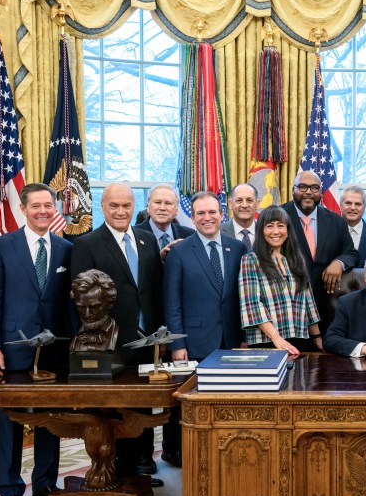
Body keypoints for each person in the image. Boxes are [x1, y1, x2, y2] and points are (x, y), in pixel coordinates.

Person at [0, 183, 73, 496]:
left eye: (49, 206)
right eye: (36, 206)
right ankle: (10, 490)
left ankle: (46, 482)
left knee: (51, 419)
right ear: (23, 209)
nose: (44, 211)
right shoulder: (2, 246)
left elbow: (67, 303)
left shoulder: (65, 248)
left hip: (54, 349)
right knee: (12, 422)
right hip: (13, 348)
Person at [70, 182, 164, 479]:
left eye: (126, 205)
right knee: (115, 413)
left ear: (135, 206)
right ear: (103, 207)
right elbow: (81, 298)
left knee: (145, 410)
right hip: (110, 344)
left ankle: (143, 469)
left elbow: (153, 292)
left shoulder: (148, 240)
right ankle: (117, 474)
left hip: (148, 340)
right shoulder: (87, 244)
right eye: (114, 206)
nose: (121, 211)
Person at [162, 191, 244, 466]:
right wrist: (177, 344)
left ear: (222, 214)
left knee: (228, 403)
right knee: (191, 405)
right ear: (192, 217)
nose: (207, 218)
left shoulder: (238, 248)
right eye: (200, 213)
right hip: (194, 342)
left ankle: (225, 455)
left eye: (212, 212)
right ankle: (190, 459)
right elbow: (171, 302)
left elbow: (243, 299)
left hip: (231, 341)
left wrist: (244, 339)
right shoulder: (180, 252)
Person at [132, 183, 192, 476]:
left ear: (176, 207)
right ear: (148, 205)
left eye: (169, 203)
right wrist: (159, 259)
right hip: (145, 327)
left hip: (178, 325)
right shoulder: (134, 235)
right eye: (157, 202)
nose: (163, 207)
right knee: (145, 397)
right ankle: (143, 459)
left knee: (176, 391)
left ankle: (174, 448)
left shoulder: (188, 235)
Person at [240, 205, 324, 355]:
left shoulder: (296, 260)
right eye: (270, 226)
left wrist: (318, 338)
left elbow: (308, 301)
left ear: (288, 230)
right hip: (266, 341)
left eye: (281, 225)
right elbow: (252, 304)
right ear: (261, 230)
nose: (276, 231)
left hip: (299, 339)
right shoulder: (251, 260)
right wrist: (276, 338)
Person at [281, 170, 359, 330]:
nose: (309, 192)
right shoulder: (277, 217)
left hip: (327, 305)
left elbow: (351, 253)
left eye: (314, 188)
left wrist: (339, 262)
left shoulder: (336, 221)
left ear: (321, 192)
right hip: (288, 306)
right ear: (292, 190)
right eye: (302, 187)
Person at [340, 185, 366, 267]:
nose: (353, 208)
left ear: (364, 208)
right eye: (348, 203)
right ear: (340, 206)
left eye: (358, 204)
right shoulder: (330, 231)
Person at [221, 182, 259, 252]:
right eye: (239, 200)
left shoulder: (265, 231)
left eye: (249, 200)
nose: (244, 205)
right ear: (230, 204)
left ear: (257, 204)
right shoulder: (218, 232)